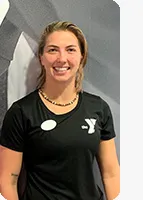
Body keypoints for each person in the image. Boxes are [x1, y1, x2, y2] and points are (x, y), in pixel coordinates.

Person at [0, 21, 120, 200]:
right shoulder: (21, 112)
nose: (61, 58)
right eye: (52, 50)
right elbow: (7, 181)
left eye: (70, 50)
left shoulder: (98, 108)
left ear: (82, 57)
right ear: (41, 57)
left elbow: (111, 174)